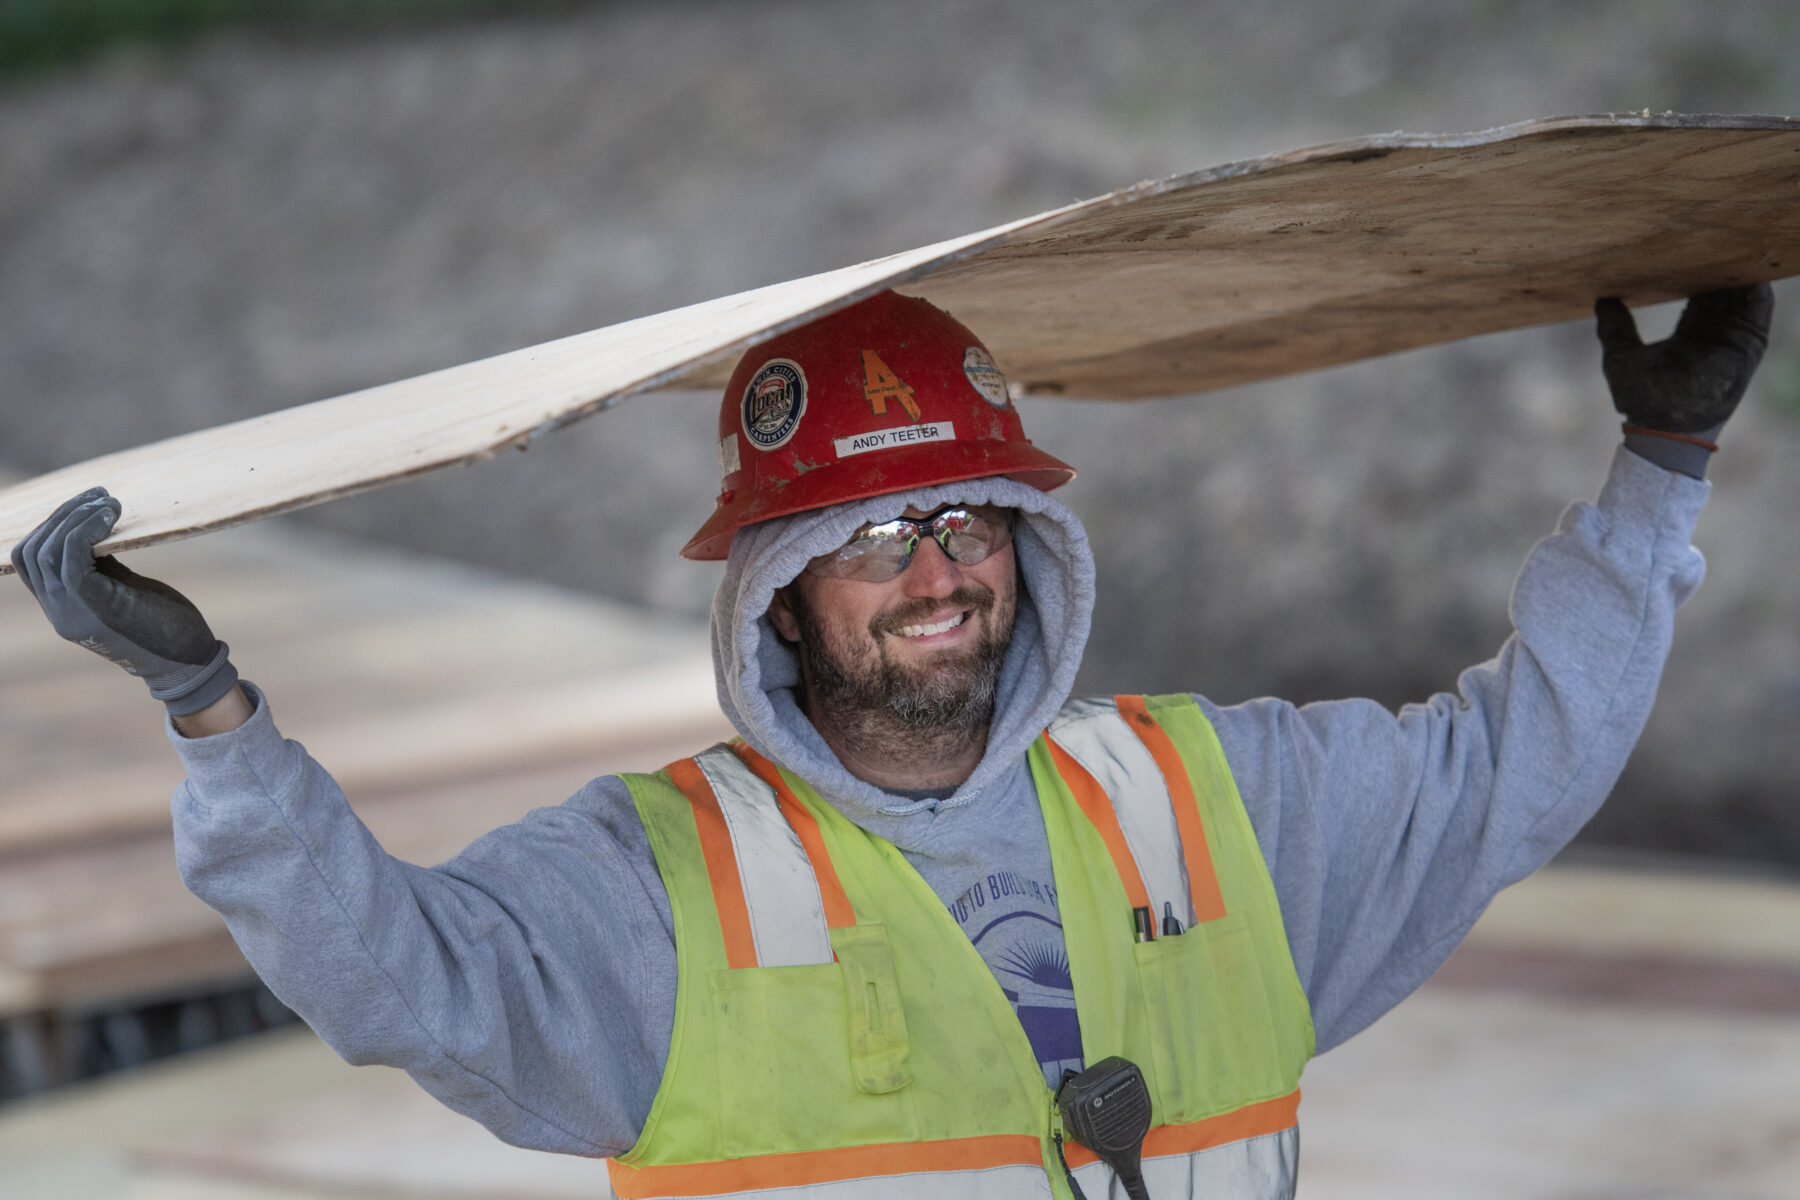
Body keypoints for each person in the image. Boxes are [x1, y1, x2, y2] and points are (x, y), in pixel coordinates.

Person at [10, 284, 1774, 1200]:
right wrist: (217, 718)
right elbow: (392, 977)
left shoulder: (1213, 802)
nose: (931, 574)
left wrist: (1661, 474)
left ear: (1029, 544)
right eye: (866, 540)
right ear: (773, 593)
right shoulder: (653, 888)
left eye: (969, 521)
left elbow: (1510, 767)